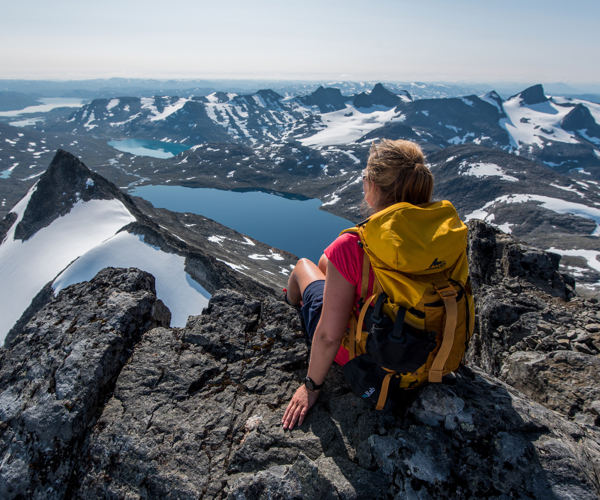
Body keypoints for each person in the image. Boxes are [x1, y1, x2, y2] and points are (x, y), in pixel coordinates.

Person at [281, 139, 434, 430]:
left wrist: (311, 387)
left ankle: (290, 303)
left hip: (369, 356)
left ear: (374, 187)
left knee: (303, 266)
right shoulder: (442, 236)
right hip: (427, 354)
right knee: (328, 263)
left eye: (365, 177)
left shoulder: (355, 244)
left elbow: (328, 336)